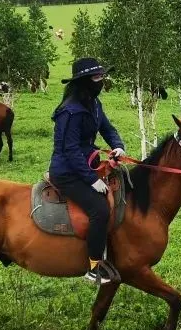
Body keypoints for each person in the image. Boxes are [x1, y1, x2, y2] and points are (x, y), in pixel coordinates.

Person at [49, 57, 126, 285]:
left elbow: (107, 128)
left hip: (87, 164)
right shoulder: (70, 111)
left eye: (102, 76)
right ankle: (93, 268)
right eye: (96, 78)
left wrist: (118, 146)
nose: (101, 81)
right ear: (83, 82)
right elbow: (70, 150)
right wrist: (92, 180)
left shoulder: (93, 104)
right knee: (99, 209)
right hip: (67, 172)